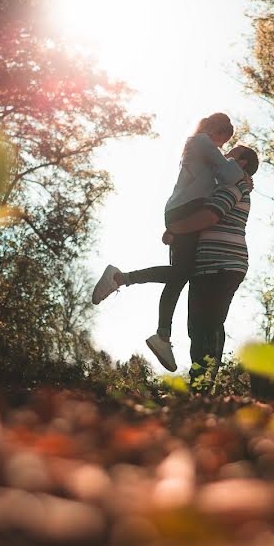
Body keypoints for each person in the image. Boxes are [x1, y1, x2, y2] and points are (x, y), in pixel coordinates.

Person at [91, 113, 250, 371]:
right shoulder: (200, 142)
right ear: (216, 130)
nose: (223, 148)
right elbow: (229, 172)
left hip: (184, 210)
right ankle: (123, 282)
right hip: (185, 210)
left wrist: (174, 232)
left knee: (180, 275)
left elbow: (222, 176)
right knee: (181, 274)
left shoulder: (202, 148)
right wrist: (241, 174)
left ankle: (160, 332)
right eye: (224, 141)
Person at [168, 145, 258, 385]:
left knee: (209, 324)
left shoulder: (234, 185)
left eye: (231, 154)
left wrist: (174, 228)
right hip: (206, 266)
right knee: (197, 327)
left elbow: (210, 216)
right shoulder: (225, 185)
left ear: (242, 164)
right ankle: (199, 382)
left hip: (224, 265)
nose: (225, 156)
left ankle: (205, 383)